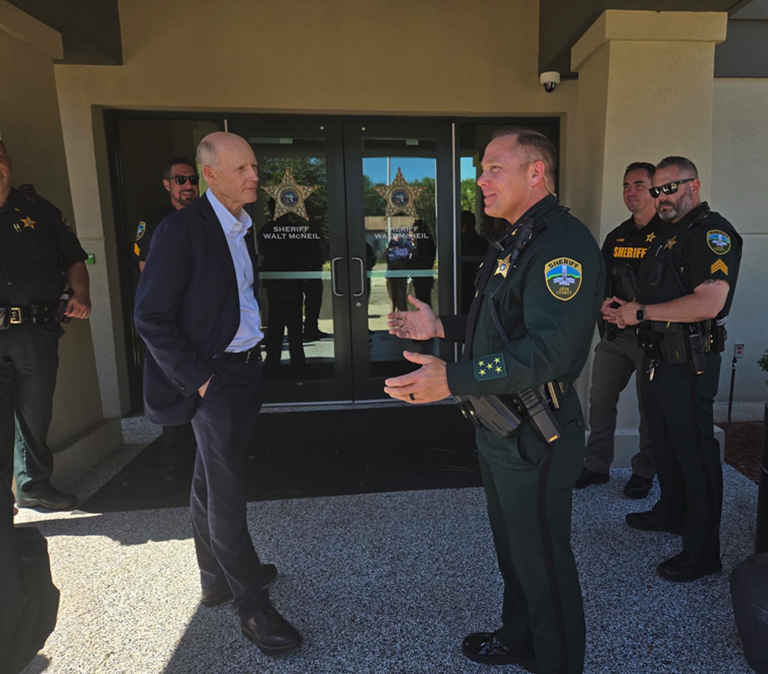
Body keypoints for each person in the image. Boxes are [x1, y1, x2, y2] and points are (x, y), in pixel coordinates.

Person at [385, 127, 604, 674]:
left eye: (494, 168)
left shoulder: (560, 246)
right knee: (515, 552)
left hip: (537, 429)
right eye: (481, 169)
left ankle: (557, 662)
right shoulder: (516, 237)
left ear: (536, 174)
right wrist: (444, 325)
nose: (479, 180)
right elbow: (505, 328)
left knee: (543, 560)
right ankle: (519, 638)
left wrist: (452, 378)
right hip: (502, 427)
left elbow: (547, 352)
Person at [134, 132, 302, 653]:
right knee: (227, 493)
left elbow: (234, 299)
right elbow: (150, 317)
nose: (255, 176)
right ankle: (252, 607)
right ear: (210, 175)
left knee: (210, 479)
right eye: (243, 169)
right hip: (214, 379)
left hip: (243, 372)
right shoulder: (180, 231)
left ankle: (215, 580)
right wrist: (202, 379)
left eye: (254, 166)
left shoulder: (242, 226)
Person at [614, 156, 741, 582]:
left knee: (696, 454)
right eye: (657, 190)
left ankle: (703, 553)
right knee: (665, 445)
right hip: (658, 359)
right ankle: (671, 512)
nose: (662, 196)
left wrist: (642, 311)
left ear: (695, 185)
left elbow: (709, 301)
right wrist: (626, 309)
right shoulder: (668, 235)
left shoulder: (712, 233)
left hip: (689, 364)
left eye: (671, 187)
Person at [0, 140, 91, 511]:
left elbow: (74, 257)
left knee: (36, 416)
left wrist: (81, 292)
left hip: (36, 333)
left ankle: (34, 485)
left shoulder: (37, 209)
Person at [576, 162, 663, 499]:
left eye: (639, 185)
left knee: (650, 409)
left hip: (652, 340)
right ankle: (597, 465)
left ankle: (644, 472)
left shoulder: (669, 237)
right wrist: (601, 306)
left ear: (655, 190)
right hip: (615, 337)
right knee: (600, 401)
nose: (631, 192)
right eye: (626, 185)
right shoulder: (618, 236)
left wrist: (637, 313)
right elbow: (600, 281)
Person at [133, 157, 199, 480]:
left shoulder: (209, 218)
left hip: (204, 319)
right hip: (172, 319)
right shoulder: (155, 222)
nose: (188, 186)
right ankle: (173, 459)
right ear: (167, 184)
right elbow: (150, 275)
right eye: (180, 180)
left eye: (193, 179)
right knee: (173, 387)